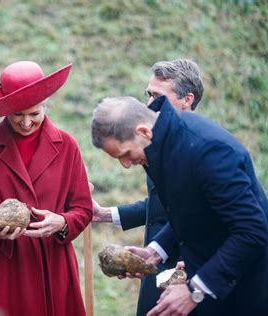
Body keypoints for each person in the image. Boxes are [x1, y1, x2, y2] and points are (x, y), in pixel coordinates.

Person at [91, 95, 268, 315]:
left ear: (143, 132)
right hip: (199, 279)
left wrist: (195, 290)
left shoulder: (207, 151)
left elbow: (252, 231)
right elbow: (191, 211)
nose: (126, 165)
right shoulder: (160, 144)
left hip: (239, 292)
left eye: (126, 154)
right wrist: (155, 251)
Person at [0, 61, 92, 316]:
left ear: (45, 106)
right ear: (5, 110)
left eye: (34, 114)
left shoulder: (67, 146)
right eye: (18, 114)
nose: (26, 123)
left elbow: (83, 208)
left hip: (51, 264)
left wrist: (62, 222)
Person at [92, 59, 204, 315]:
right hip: (157, 263)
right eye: (148, 95)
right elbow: (161, 206)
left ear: (187, 99)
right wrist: (105, 214)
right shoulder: (156, 141)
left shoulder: (200, 149)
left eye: (158, 96)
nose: (149, 104)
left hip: (189, 272)